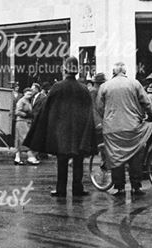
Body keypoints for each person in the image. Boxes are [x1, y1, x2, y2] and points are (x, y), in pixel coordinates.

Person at [25, 57, 95, 198]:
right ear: (77, 71)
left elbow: (46, 109)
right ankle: (77, 188)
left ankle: (61, 189)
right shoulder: (83, 89)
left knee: (62, 161)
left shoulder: (57, 87)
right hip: (78, 132)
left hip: (61, 131)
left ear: (64, 70)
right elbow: (89, 112)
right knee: (78, 161)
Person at [97, 62, 152, 199]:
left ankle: (119, 187)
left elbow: (99, 107)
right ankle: (136, 185)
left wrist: (107, 118)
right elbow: (146, 102)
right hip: (132, 127)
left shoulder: (104, 86)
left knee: (116, 156)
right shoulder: (134, 84)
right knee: (136, 155)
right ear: (125, 71)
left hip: (112, 129)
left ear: (113, 72)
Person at [12, 88, 37, 165]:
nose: (29, 95)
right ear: (24, 93)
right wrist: (26, 114)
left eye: (30, 94)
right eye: (28, 94)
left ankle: (17, 157)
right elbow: (17, 111)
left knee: (19, 140)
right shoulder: (21, 101)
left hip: (26, 122)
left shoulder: (28, 101)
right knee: (25, 138)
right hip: (22, 121)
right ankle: (30, 157)